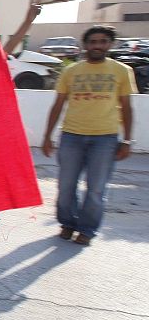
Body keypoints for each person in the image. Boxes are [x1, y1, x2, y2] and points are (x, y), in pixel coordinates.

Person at [41, 25, 137, 246]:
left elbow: (127, 107)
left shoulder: (121, 70)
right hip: (71, 136)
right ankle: (67, 223)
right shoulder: (71, 71)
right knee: (66, 186)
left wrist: (127, 140)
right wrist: (47, 137)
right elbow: (58, 105)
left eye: (102, 41)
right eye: (93, 42)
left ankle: (87, 229)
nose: (97, 46)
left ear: (109, 44)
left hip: (105, 138)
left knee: (96, 189)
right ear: (86, 45)